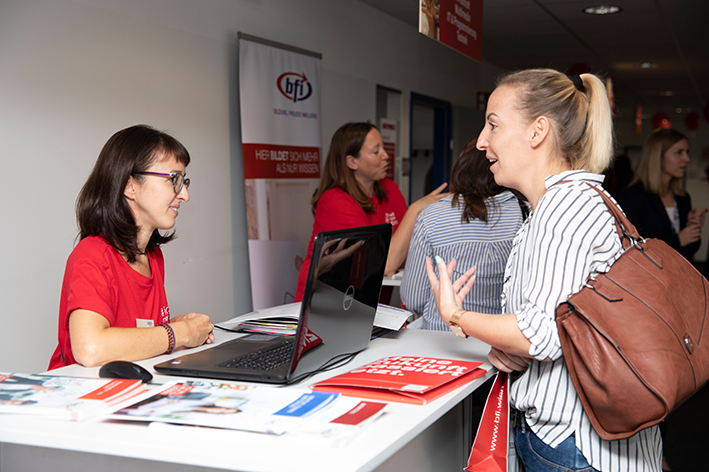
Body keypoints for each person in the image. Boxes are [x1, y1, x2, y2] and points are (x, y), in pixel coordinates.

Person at [426, 69, 661, 471]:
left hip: (574, 445)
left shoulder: (562, 209)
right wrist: (509, 344)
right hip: (587, 441)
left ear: (538, 132)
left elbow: (539, 336)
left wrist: (457, 316)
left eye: (494, 125)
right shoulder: (571, 202)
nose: (482, 141)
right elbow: (555, 324)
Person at [49, 125, 214, 370]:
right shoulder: (92, 255)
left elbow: (134, 334)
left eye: (184, 181)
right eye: (173, 180)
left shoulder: (153, 257)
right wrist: (177, 334)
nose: (185, 195)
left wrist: (174, 332)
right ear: (130, 187)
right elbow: (90, 348)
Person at [294, 122, 449, 302]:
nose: (386, 155)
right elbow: (386, 265)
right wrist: (415, 209)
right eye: (376, 151)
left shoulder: (389, 189)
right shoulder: (334, 202)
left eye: (383, 147)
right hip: (327, 307)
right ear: (352, 162)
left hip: (367, 306)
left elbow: (410, 253)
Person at [400, 139, 526, 331]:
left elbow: (413, 300)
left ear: (462, 166)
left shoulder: (431, 216)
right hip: (502, 342)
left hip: (440, 339)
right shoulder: (527, 214)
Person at [615, 128, 707, 263]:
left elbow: (690, 249)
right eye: (679, 152)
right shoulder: (632, 198)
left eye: (687, 152)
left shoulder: (682, 198)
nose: (686, 159)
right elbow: (628, 247)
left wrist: (692, 228)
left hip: (680, 277)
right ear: (658, 156)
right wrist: (678, 239)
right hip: (650, 280)